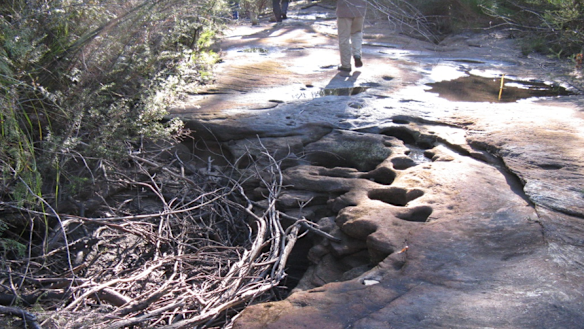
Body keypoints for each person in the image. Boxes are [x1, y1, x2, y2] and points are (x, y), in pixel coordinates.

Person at [336, 0, 366, 72]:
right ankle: (357, 55)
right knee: (357, 33)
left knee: (344, 37)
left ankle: (346, 65)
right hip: (360, 9)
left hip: (344, 10)